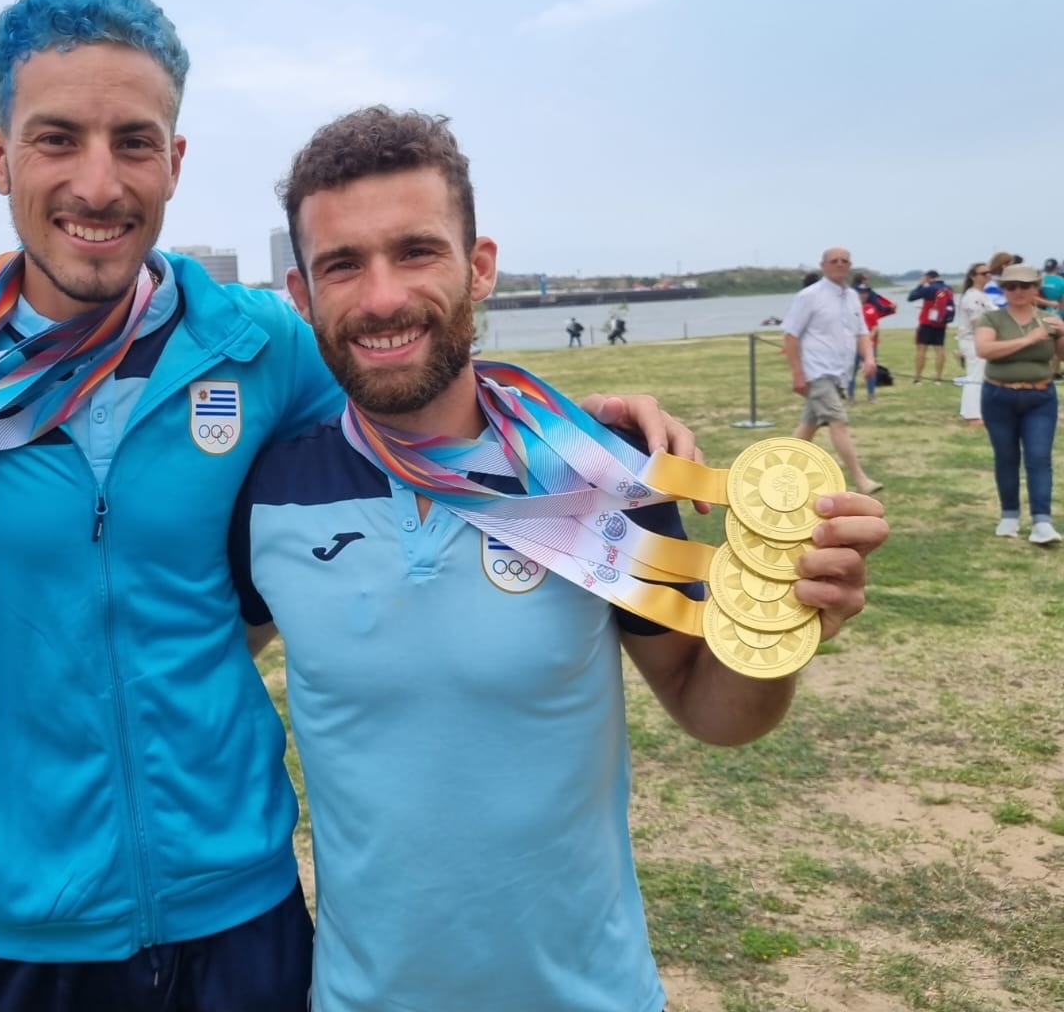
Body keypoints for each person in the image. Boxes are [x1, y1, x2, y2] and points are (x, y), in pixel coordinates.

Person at [0, 0, 699, 1011]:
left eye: (133, 141)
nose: (98, 184)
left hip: (239, 916)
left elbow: (413, 370)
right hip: (18, 931)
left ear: (175, 161)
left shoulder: (259, 344)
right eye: (56, 139)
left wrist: (577, 426)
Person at [232, 106, 888, 1012]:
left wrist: (779, 612)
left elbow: (715, 711)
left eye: (417, 250)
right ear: (302, 297)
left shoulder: (596, 474)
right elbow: (178, 675)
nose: (381, 296)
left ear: (481, 266)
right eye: (343, 264)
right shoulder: (270, 496)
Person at [973, 263, 1064, 545]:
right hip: (999, 396)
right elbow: (984, 350)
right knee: (1006, 456)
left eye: (1025, 286)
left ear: (1035, 288)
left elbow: (1060, 355)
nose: (1018, 291)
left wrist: (1061, 334)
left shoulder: (1048, 319)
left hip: (1040, 396)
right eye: (1011, 286)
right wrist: (1030, 339)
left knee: (1038, 457)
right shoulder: (992, 319)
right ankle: (1009, 515)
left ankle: (1042, 522)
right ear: (1003, 289)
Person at [783, 247, 884, 495]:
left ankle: (783, 470)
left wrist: (869, 358)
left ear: (850, 265)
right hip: (816, 371)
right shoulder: (810, 296)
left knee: (809, 425)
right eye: (834, 261)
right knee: (839, 421)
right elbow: (791, 335)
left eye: (844, 261)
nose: (840, 264)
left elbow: (861, 333)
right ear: (823, 265)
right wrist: (797, 373)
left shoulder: (852, 297)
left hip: (840, 373)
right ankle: (861, 479)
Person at [956, 261, 994, 426]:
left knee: (983, 375)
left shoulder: (983, 295)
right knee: (975, 376)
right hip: (972, 340)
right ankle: (972, 414)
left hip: (982, 339)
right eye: (983, 273)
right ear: (973, 276)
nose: (987, 276)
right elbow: (977, 320)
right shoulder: (972, 296)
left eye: (989, 273)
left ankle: (979, 410)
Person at [848, 273, 895, 404]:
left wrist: (869, 338)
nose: (863, 295)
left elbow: (875, 326)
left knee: (870, 370)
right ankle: (851, 396)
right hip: (853, 345)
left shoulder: (870, 308)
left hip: (870, 344)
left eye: (865, 293)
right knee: (851, 371)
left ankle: (871, 395)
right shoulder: (849, 309)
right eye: (860, 293)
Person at [907, 268, 955, 383]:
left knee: (922, 349)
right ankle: (938, 377)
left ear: (928, 278)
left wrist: (920, 285)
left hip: (926, 322)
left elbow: (911, 297)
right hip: (941, 323)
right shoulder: (948, 288)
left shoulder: (928, 288)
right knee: (939, 349)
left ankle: (918, 377)